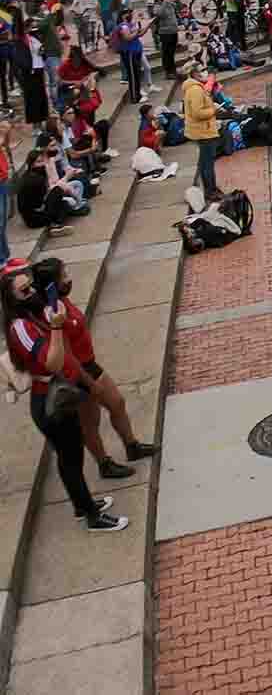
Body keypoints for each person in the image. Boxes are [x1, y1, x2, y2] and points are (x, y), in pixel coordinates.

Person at [3, 263, 128, 532]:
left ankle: (82, 505)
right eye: (25, 290)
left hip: (59, 394)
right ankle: (91, 516)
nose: (33, 292)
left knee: (71, 455)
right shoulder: (20, 327)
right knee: (70, 458)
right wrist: (57, 328)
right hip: (49, 401)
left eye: (31, 286)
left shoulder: (33, 316)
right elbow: (51, 362)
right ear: (12, 298)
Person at [31, 257, 157, 480]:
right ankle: (104, 463)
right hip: (78, 373)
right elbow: (67, 356)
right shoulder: (52, 315)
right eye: (64, 275)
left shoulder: (61, 302)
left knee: (117, 403)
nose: (69, 279)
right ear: (52, 284)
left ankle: (131, 445)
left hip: (89, 363)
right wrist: (89, 384)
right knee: (90, 422)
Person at [183, 60, 221, 203]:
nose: (203, 73)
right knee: (207, 164)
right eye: (201, 71)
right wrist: (213, 110)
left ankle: (212, 188)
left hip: (203, 130)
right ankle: (210, 191)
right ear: (194, 73)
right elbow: (198, 112)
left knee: (207, 162)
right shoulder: (195, 90)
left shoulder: (196, 88)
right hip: (202, 131)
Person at [0, 117, 21, 261]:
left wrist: (5, 134)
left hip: (2, 178)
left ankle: (5, 257)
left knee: (2, 223)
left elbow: (4, 145)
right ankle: (2, 259)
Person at [149, 0, 180, 80]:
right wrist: (165, 3)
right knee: (166, 53)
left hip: (173, 31)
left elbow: (179, 8)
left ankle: (173, 69)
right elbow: (159, 14)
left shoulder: (170, 4)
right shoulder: (157, 6)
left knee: (172, 52)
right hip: (165, 33)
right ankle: (168, 71)